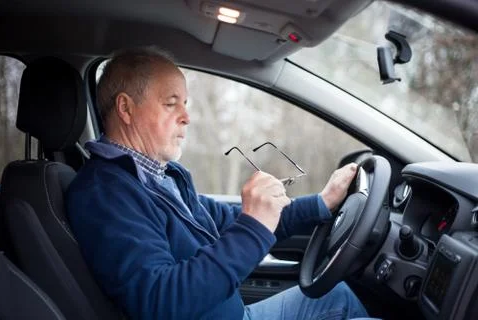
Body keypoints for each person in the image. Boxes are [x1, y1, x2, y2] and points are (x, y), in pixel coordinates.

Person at [66, 47, 371, 320]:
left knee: (337, 294)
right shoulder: (104, 192)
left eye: (185, 103)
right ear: (126, 108)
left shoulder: (159, 176)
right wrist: (253, 227)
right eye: (172, 103)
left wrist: (322, 202)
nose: (187, 116)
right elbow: (158, 302)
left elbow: (227, 220)